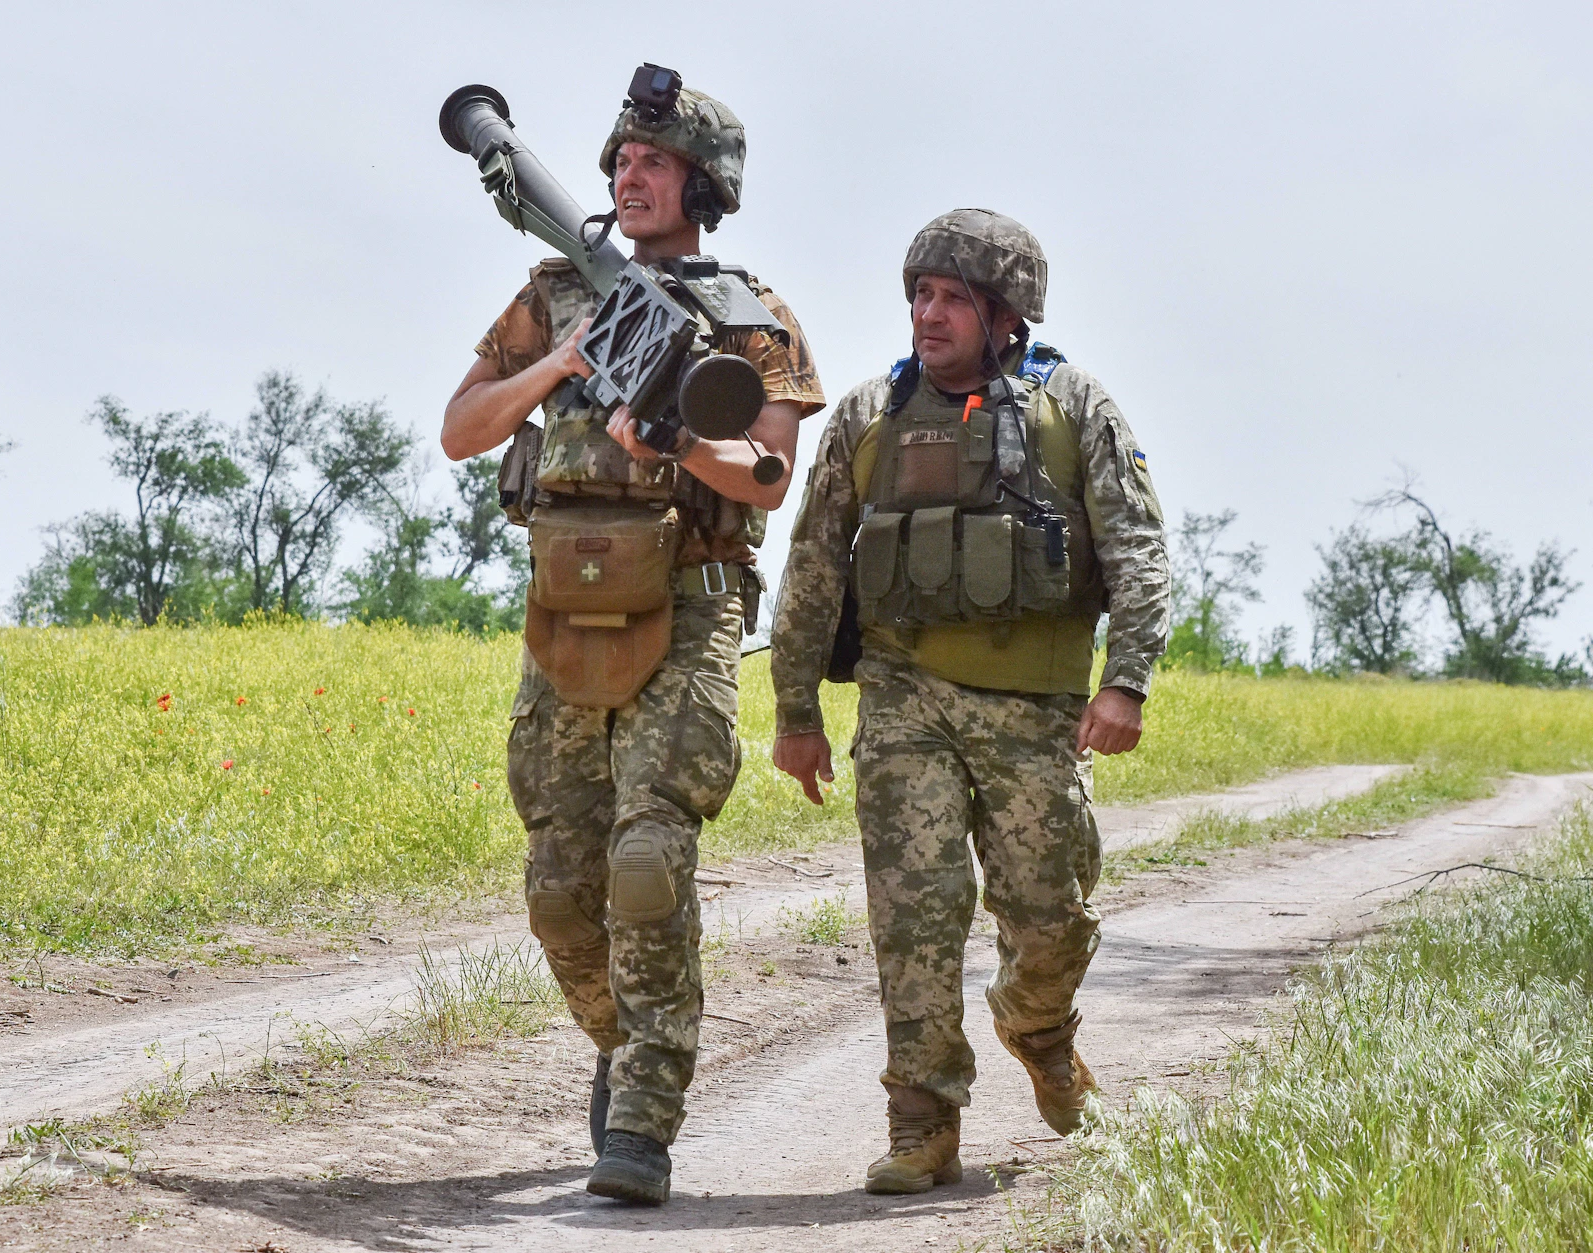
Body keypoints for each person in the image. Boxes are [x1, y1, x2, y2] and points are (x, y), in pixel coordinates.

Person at [440, 71, 822, 1205]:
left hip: (690, 599)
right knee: (560, 884)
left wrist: (668, 442)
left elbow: (764, 477)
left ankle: (645, 1117)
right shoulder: (554, 294)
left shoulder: (750, 314)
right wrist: (558, 365)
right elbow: (460, 429)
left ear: (700, 180)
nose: (626, 175)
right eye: (618, 161)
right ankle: (620, 1038)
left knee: (648, 859)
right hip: (562, 606)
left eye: (651, 161)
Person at [767, 209, 1170, 1194]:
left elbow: (1137, 550)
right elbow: (813, 569)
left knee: (1050, 914)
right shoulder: (866, 417)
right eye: (919, 294)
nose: (927, 314)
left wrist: (1125, 679)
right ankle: (921, 1120)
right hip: (902, 697)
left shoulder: (1071, 407)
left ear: (1006, 317)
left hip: (1033, 708)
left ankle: (1037, 1028)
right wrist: (794, 713)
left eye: (951, 298)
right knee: (914, 908)